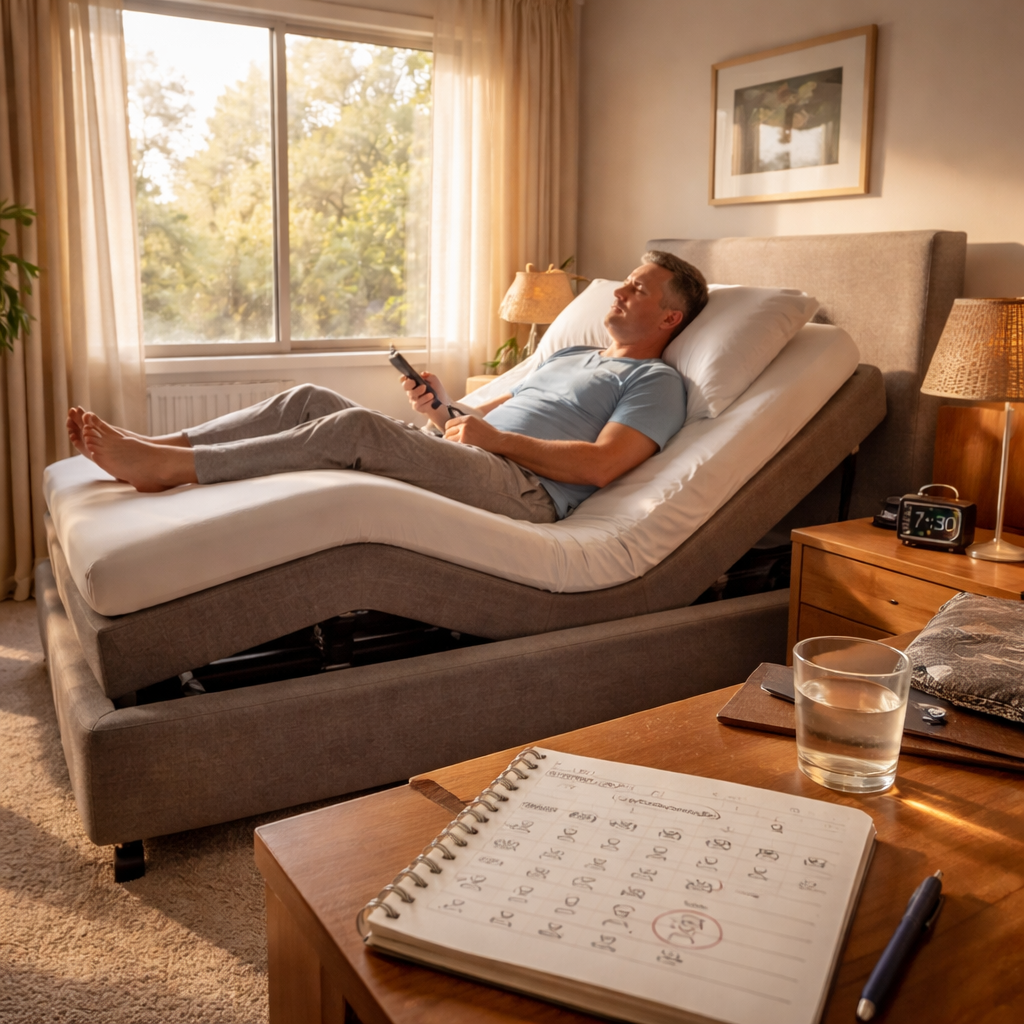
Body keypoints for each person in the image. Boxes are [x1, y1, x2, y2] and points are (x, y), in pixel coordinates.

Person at [70, 251, 708, 522]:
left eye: (638, 288)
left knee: (352, 429)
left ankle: (174, 468)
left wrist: (490, 439)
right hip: (478, 455)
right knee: (309, 399)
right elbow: (471, 424)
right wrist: (442, 410)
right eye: (624, 281)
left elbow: (600, 467)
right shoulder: (571, 354)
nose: (619, 290)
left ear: (670, 318)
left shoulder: (656, 381)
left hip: (525, 491)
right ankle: (159, 445)